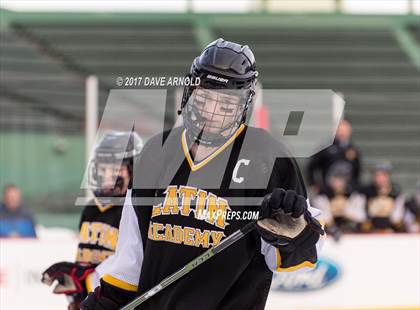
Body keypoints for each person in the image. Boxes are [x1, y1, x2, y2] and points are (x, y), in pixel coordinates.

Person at [82, 38, 325, 310]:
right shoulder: (156, 152)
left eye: (225, 106)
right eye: (205, 97)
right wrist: (106, 301)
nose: (211, 113)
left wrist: (293, 236)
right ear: (190, 91)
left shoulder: (269, 158)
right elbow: (132, 255)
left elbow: (303, 258)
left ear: (242, 106)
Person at [41, 131, 143, 310]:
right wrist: (76, 295)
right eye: (102, 169)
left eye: (115, 169)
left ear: (133, 170)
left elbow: (130, 263)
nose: (106, 176)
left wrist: (86, 279)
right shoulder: (91, 209)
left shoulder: (134, 210)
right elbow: (84, 259)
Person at [306, 119, 361, 194]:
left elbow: (357, 171)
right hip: (327, 192)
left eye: (345, 129)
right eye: (340, 129)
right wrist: (313, 184)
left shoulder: (354, 150)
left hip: (347, 193)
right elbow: (311, 166)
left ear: (349, 130)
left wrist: (353, 186)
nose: (342, 132)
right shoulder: (326, 147)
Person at [312, 166, 365, 238]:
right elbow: (319, 218)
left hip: (352, 234)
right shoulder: (322, 197)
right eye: (335, 178)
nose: (338, 182)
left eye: (341, 179)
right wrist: (333, 211)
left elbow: (361, 217)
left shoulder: (355, 196)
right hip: (328, 235)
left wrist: (344, 211)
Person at [359, 162, 405, 233]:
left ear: (388, 176)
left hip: (390, 230)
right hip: (370, 231)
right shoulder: (366, 192)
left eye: (383, 175)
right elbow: (357, 212)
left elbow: (397, 217)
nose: (379, 179)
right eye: (377, 175)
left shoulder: (396, 192)